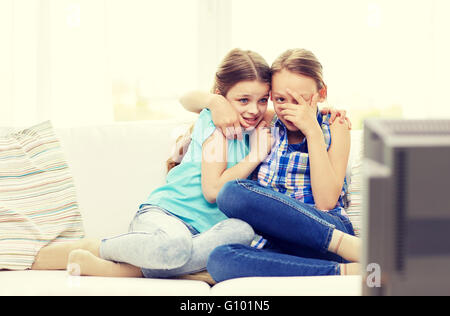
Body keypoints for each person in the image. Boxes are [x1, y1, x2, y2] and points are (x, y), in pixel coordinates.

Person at [31, 48, 275, 279]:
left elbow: (301, 110)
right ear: (222, 98)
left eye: (263, 100)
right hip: (166, 218)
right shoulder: (217, 124)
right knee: (175, 246)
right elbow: (212, 191)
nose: (254, 109)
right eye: (243, 100)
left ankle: (160, 265)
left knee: (243, 231)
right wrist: (253, 152)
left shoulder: (255, 124)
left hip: (205, 235)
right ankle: (101, 250)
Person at [181, 48, 361, 282]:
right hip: (277, 237)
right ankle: (339, 272)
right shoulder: (267, 119)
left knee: (232, 192)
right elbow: (187, 99)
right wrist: (215, 102)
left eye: (301, 100)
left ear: (321, 93)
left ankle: (353, 253)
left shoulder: (334, 126)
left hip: (331, 234)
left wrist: (312, 130)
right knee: (221, 255)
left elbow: (326, 201)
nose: (290, 108)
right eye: (279, 99)